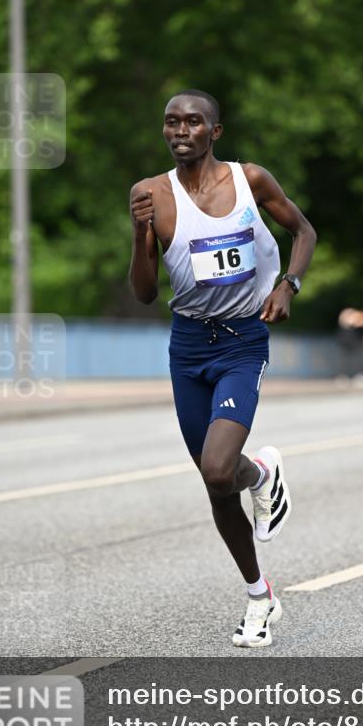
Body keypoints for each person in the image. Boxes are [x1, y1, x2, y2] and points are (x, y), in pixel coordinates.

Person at [129, 90, 316, 646]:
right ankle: (260, 595)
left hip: (242, 340)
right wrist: (141, 235)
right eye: (171, 122)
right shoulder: (150, 194)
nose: (180, 130)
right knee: (217, 487)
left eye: (193, 122)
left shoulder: (250, 181)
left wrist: (289, 285)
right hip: (187, 346)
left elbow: (304, 232)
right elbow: (142, 293)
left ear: (216, 131)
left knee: (216, 468)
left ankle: (255, 474)